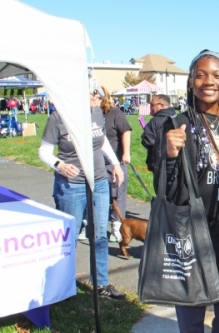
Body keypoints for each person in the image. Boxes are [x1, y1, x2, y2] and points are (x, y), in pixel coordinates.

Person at [160, 49, 219, 333]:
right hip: (191, 233)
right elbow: (167, 187)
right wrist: (170, 154)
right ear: (191, 82)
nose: (209, 81)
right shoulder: (177, 124)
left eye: (217, 75)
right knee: (192, 313)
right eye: (201, 75)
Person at [38, 86, 126, 300]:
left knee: (99, 236)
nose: (98, 97)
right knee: (70, 237)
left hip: (98, 181)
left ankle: (102, 285)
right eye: (93, 93)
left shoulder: (96, 112)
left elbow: (102, 140)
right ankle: (62, 287)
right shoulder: (58, 117)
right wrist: (59, 164)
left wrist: (115, 163)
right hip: (72, 184)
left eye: (99, 93)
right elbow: (44, 151)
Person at [101, 86, 132, 242]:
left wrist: (126, 153)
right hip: (97, 162)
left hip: (116, 162)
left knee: (117, 194)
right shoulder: (90, 114)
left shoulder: (115, 113)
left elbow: (126, 131)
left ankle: (116, 226)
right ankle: (91, 225)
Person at [141, 94, 176, 174]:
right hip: (175, 161)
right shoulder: (176, 117)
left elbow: (148, 142)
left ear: (162, 105)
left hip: (158, 162)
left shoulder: (154, 121)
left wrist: (144, 136)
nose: (150, 107)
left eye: (152, 105)